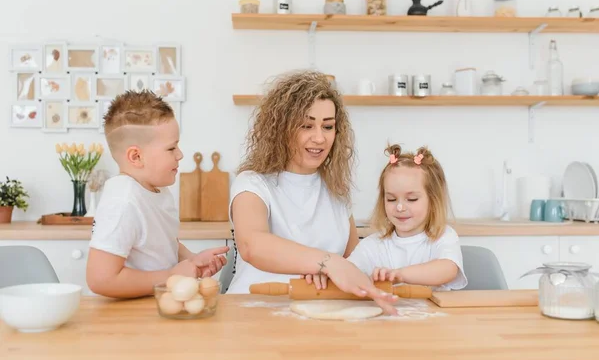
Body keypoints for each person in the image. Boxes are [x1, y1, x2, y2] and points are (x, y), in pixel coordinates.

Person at [228, 70, 397, 313]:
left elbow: (353, 260)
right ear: (281, 129)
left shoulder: (335, 190)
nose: (319, 138)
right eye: (306, 125)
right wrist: (328, 263)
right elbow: (253, 245)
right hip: (253, 312)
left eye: (328, 126)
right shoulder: (252, 184)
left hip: (321, 312)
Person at [86, 90, 229, 298]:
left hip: (157, 305)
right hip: (129, 317)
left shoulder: (157, 190)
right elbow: (101, 279)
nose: (180, 155)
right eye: (171, 148)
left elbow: (162, 242)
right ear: (136, 156)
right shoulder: (123, 202)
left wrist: (192, 261)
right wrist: (171, 275)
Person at [348, 144, 468, 291]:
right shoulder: (372, 245)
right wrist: (323, 272)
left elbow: (448, 269)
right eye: (391, 199)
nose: (400, 207)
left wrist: (400, 275)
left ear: (433, 199)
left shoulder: (443, 236)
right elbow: (345, 272)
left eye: (411, 199)